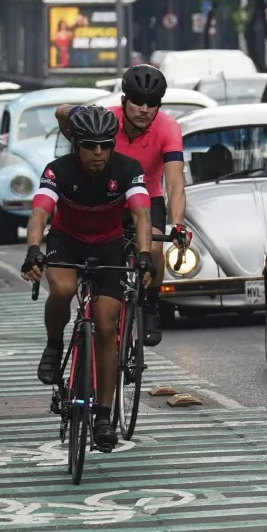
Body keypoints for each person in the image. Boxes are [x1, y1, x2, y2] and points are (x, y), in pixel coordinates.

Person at [20, 105, 156, 452]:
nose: (99, 153)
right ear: (76, 144)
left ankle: (103, 416)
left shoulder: (128, 169)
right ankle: (53, 344)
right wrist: (34, 249)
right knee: (63, 289)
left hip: (108, 246)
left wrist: (143, 254)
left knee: (107, 327)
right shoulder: (58, 171)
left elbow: (141, 212)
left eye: (106, 145)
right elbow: (39, 212)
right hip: (67, 242)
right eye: (91, 145)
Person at [55, 64, 190, 346]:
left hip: (147, 197)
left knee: (153, 247)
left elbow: (175, 184)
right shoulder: (104, 120)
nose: (144, 108)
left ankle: (151, 303)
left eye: (152, 103)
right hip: (108, 199)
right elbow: (61, 111)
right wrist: (74, 124)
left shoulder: (168, 128)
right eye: (137, 101)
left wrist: (178, 225)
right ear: (123, 100)